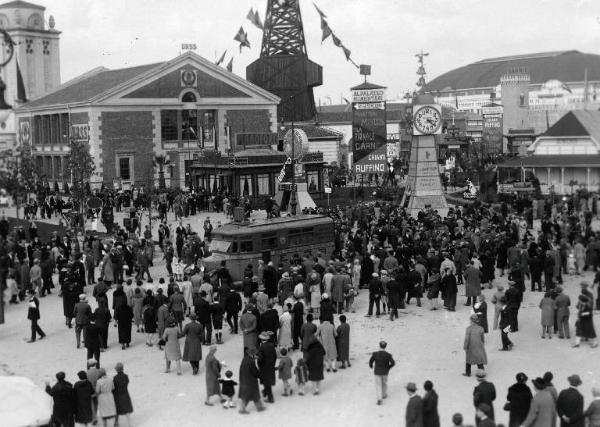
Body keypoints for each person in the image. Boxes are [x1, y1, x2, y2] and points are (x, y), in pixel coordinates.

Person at [238, 347, 266, 414]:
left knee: (247, 396)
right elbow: (255, 372)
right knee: (252, 396)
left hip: (243, 380)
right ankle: (243, 410)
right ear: (253, 354)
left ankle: (260, 408)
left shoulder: (245, 359)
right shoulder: (251, 362)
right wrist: (261, 375)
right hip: (250, 382)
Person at [369, 340, 395, 405]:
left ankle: (379, 399)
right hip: (385, 372)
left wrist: (371, 365)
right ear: (385, 346)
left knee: (378, 385)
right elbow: (393, 363)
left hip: (377, 372)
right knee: (384, 383)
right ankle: (384, 394)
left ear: (379, 346)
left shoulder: (375, 354)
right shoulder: (388, 355)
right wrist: (388, 367)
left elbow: (371, 361)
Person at [257, 332, 277, 403]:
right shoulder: (271, 345)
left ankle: (270, 398)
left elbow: (260, 359)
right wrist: (273, 364)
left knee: (266, 383)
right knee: (268, 381)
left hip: (264, 367)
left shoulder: (261, 347)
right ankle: (265, 392)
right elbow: (275, 356)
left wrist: (259, 365)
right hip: (271, 365)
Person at [113, 362, 133, 427]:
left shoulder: (115, 378)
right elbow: (127, 382)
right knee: (127, 410)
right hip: (125, 394)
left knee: (117, 410)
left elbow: (114, 387)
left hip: (118, 395)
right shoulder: (126, 376)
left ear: (117, 370)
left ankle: (116, 423)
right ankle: (129, 424)